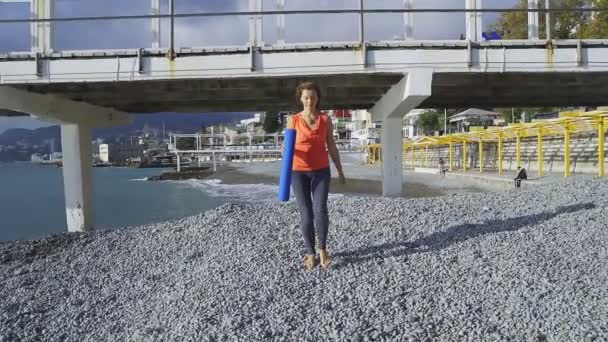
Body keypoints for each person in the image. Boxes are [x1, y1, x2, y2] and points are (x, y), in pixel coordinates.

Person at [286, 81, 346, 271]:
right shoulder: (293, 120)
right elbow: (287, 148)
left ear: (317, 98)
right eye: (306, 98)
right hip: (298, 172)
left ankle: (323, 250)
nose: (309, 101)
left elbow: (332, 147)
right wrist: (284, 153)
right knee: (306, 214)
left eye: (312, 97)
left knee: (320, 210)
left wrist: (340, 171)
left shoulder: (325, 120)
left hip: (321, 171)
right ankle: (310, 253)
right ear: (300, 99)